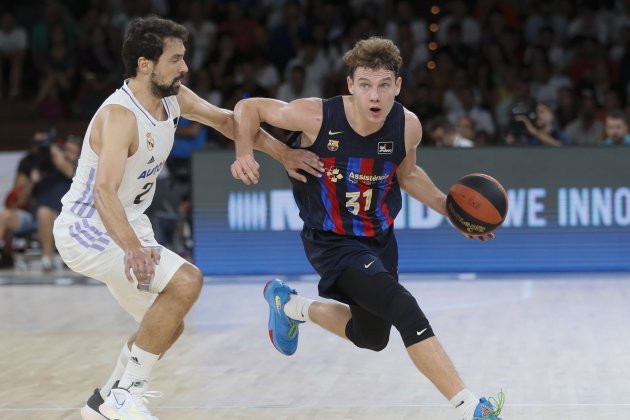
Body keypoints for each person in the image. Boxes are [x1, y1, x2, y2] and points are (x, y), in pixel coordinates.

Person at [52, 16, 323, 420]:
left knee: (165, 325)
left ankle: (104, 401)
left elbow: (230, 121)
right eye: (176, 59)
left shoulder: (173, 97)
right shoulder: (119, 117)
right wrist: (132, 249)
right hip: (89, 225)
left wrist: (283, 155)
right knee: (187, 281)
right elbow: (102, 191)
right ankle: (125, 395)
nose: (185, 68)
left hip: (128, 220)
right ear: (145, 64)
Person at [231, 37, 504, 420]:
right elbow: (247, 108)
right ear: (350, 85)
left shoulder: (407, 126)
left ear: (397, 86)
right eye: (365, 84)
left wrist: (448, 208)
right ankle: (473, 407)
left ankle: (290, 306)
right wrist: (245, 151)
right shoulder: (316, 117)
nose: (374, 95)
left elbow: (407, 175)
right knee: (404, 306)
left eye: (383, 85)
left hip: (379, 241)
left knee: (372, 337)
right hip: (332, 241)